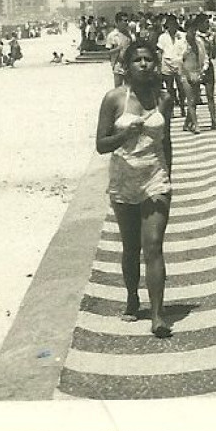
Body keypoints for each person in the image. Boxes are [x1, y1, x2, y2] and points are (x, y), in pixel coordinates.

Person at [94, 38, 175, 338]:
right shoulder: (114, 99)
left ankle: (157, 315)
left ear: (155, 64)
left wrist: (169, 175)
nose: (143, 65)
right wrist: (125, 134)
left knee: (153, 245)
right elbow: (101, 145)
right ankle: (132, 296)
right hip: (124, 177)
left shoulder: (164, 98)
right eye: (137, 60)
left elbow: (166, 140)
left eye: (148, 60)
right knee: (131, 247)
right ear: (126, 66)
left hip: (155, 176)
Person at [180, 14, 215, 133]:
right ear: (186, 30)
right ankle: (196, 125)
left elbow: (205, 57)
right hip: (186, 74)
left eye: (195, 30)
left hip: (198, 72)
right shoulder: (181, 43)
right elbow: (178, 61)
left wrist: (203, 70)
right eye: (191, 30)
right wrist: (187, 73)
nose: (193, 32)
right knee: (190, 101)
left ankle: (187, 123)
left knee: (195, 99)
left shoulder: (199, 42)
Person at [156, 15, 186, 109]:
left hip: (179, 63)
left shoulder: (182, 35)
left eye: (174, 24)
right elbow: (160, 52)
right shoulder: (162, 37)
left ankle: (181, 105)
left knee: (181, 87)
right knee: (169, 88)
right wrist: (159, 66)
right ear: (167, 25)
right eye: (170, 24)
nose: (172, 26)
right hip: (167, 63)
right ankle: (171, 107)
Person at [106, 11, 135, 87]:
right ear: (118, 22)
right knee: (118, 89)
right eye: (124, 21)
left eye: (127, 20)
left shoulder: (129, 35)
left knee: (129, 88)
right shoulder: (112, 35)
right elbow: (108, 52)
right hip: (118, 65)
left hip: (129, 65)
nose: (127, 23)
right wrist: (118, 49)